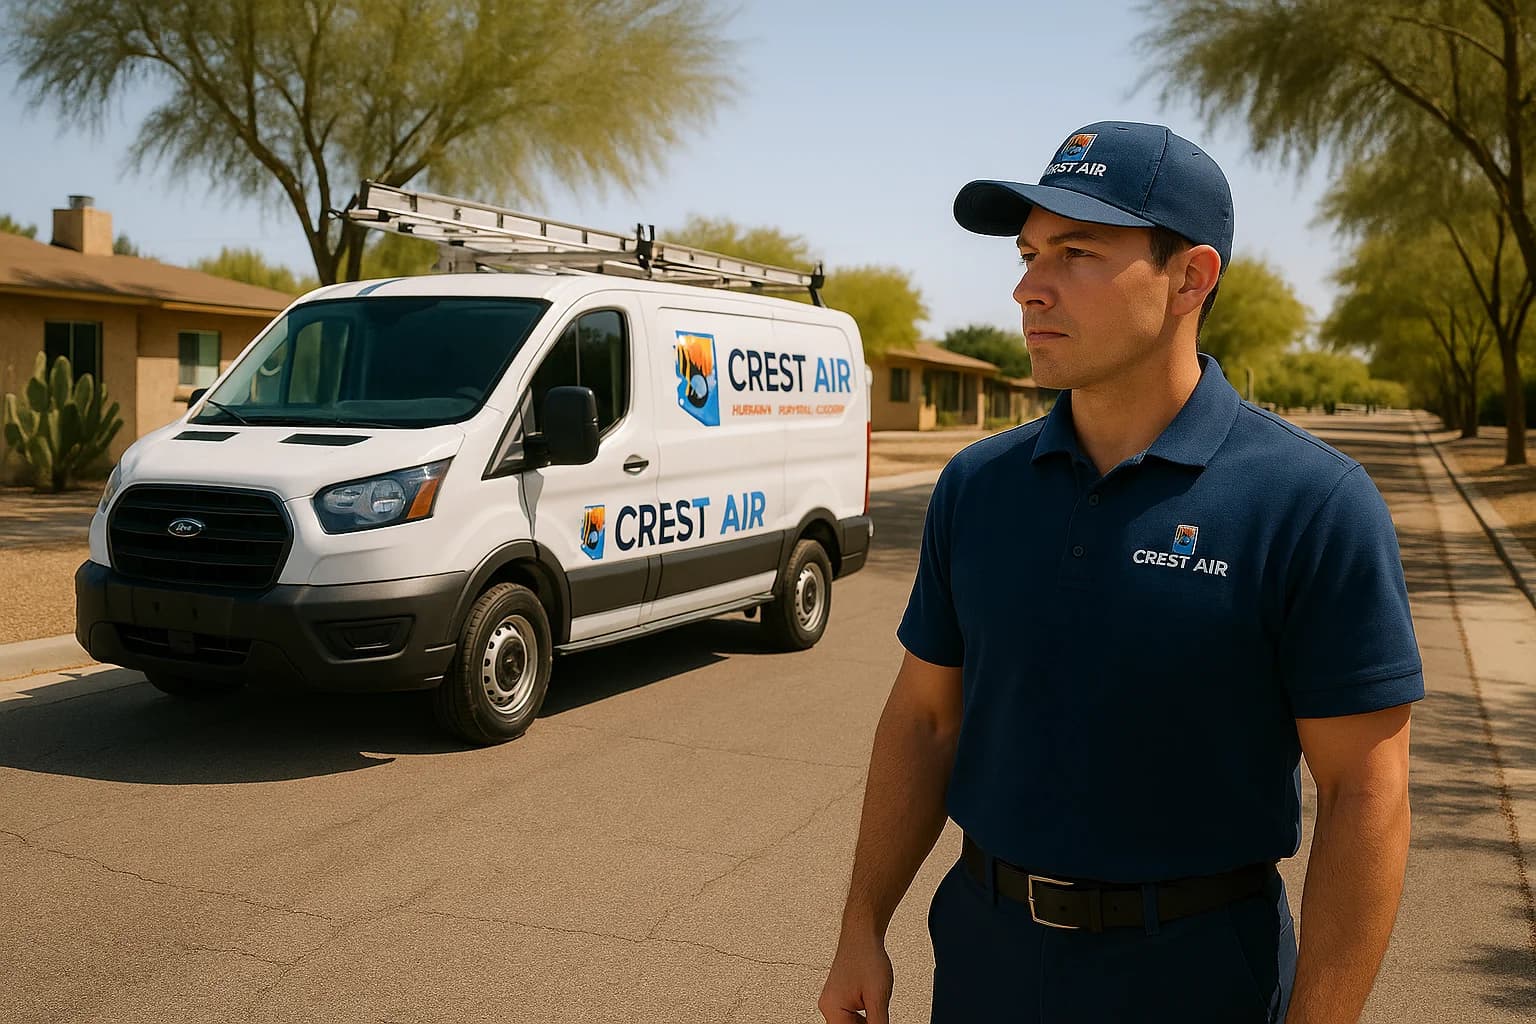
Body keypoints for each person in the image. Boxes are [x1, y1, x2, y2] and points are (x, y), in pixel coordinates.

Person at [817, 121, 1422, 1024]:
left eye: (1076, 251)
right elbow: (924, 720)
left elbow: (1365, 793)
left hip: (1196, 974)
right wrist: (862, 924)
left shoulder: (1311, 503)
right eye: (1027, 254)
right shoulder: (978, 487)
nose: (1029, 287)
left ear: (1191, 277)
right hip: (987, 963)